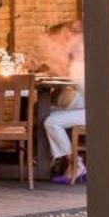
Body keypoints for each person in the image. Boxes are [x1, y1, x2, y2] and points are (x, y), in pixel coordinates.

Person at [40, 20, 87, 184]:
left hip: (98, 110)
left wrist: (58, 71)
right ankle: (56, 161)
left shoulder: (81, 59)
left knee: (50, 121)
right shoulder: (79, 57)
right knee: (46, 114)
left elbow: (84, 88)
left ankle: (76, 164)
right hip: (87, 106)